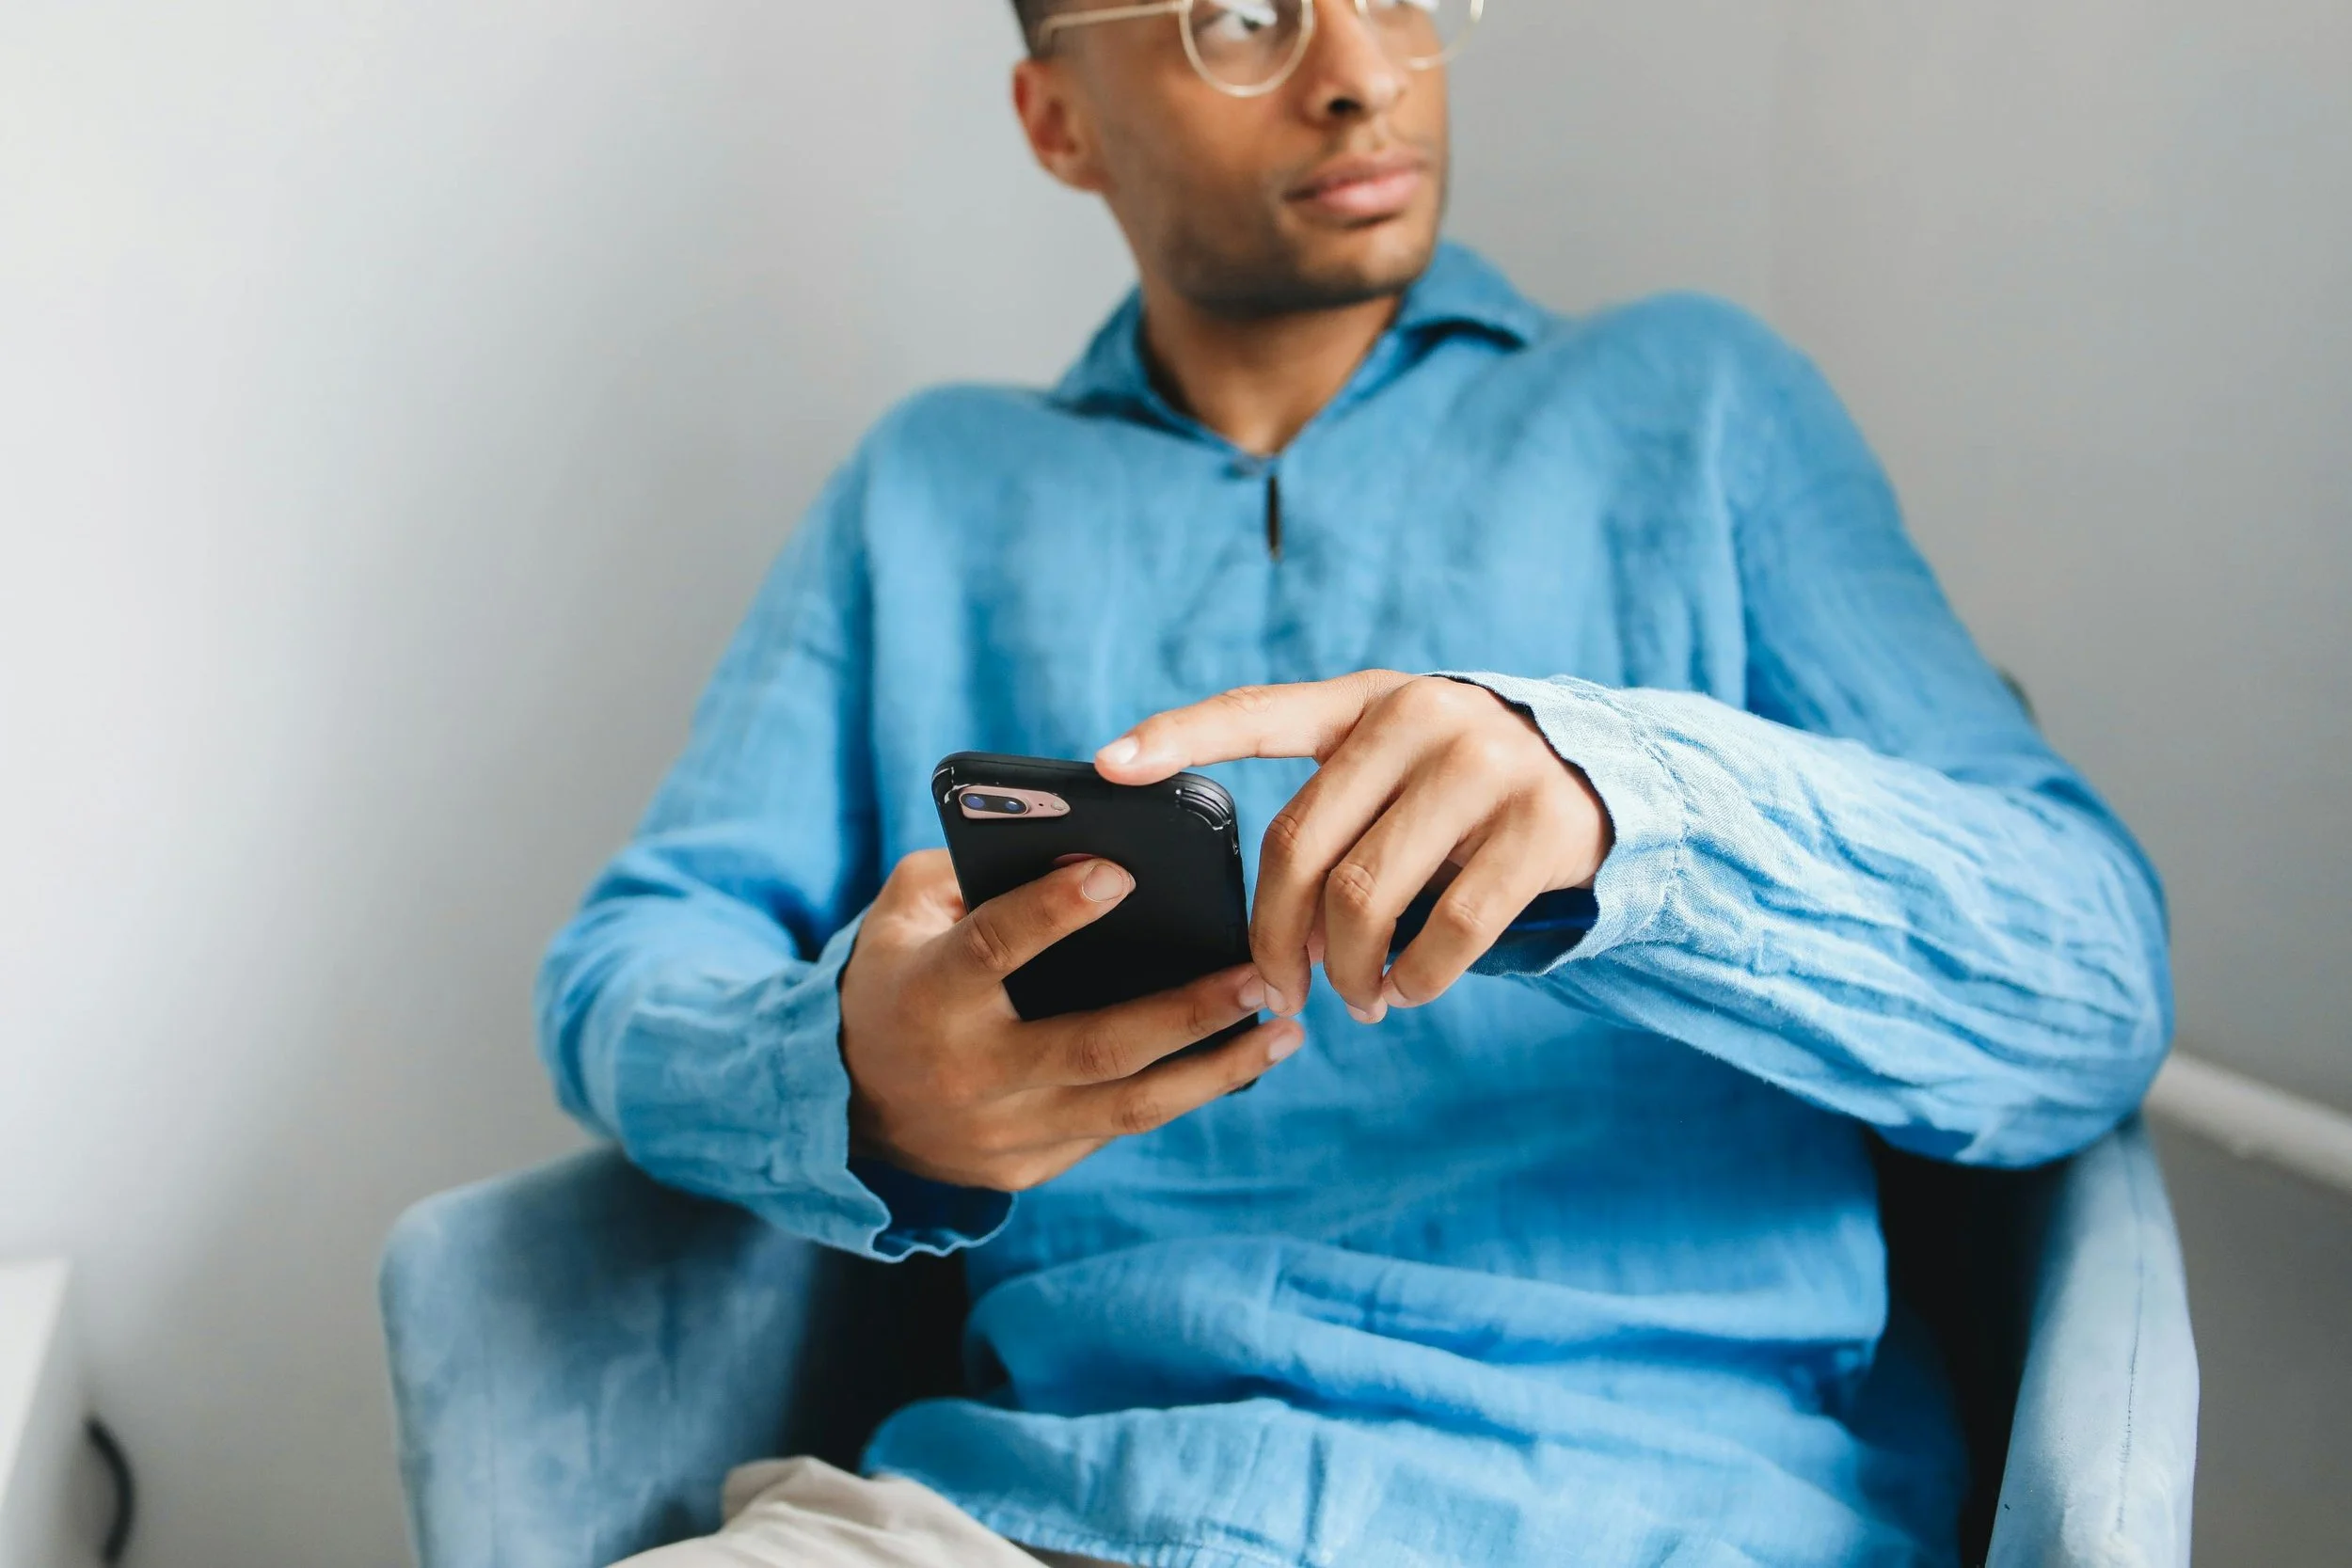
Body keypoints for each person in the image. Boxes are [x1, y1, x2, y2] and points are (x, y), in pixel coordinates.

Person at [536, 2, 2173, 1563]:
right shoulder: (925, 495)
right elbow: (624, 974)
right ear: (1059, 123)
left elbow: (2091, 984)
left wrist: (1631, 808)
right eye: (1237, 17)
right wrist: (853, 1078)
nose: (1359, 73)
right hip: (1029, 1509)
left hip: (1650, 1515)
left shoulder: (1701, 407)